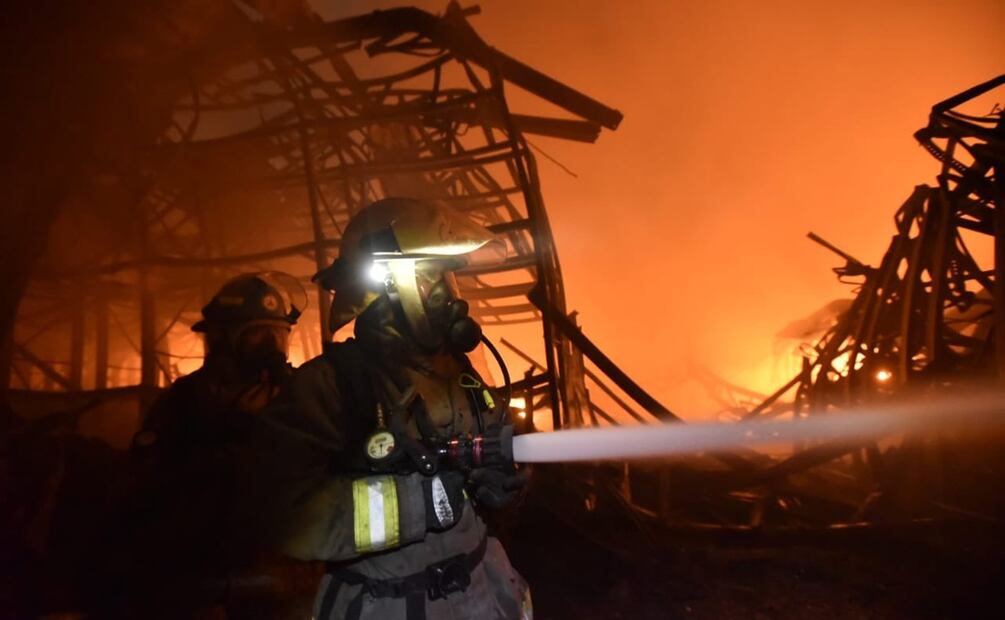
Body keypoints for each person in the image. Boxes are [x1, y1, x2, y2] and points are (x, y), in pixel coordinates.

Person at [269, 198, 532, 620]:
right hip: (388, 604)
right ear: (386, 286)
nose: (448, 294)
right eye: (430, 276)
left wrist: (500, 483)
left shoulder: (461, 372)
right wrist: (420, 503)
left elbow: (480, 472)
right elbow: (286, 515)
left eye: (447, 276)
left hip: (484, 591)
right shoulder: (332, 385)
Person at [123, 272, 306, 618]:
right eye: (258, 334)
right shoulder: (186, 400)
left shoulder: (297, 393)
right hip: (205, 574)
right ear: (222, 338)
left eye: (278, 334)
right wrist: (232, 432)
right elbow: (150, 485)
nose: (272, 345)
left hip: (284, 569)